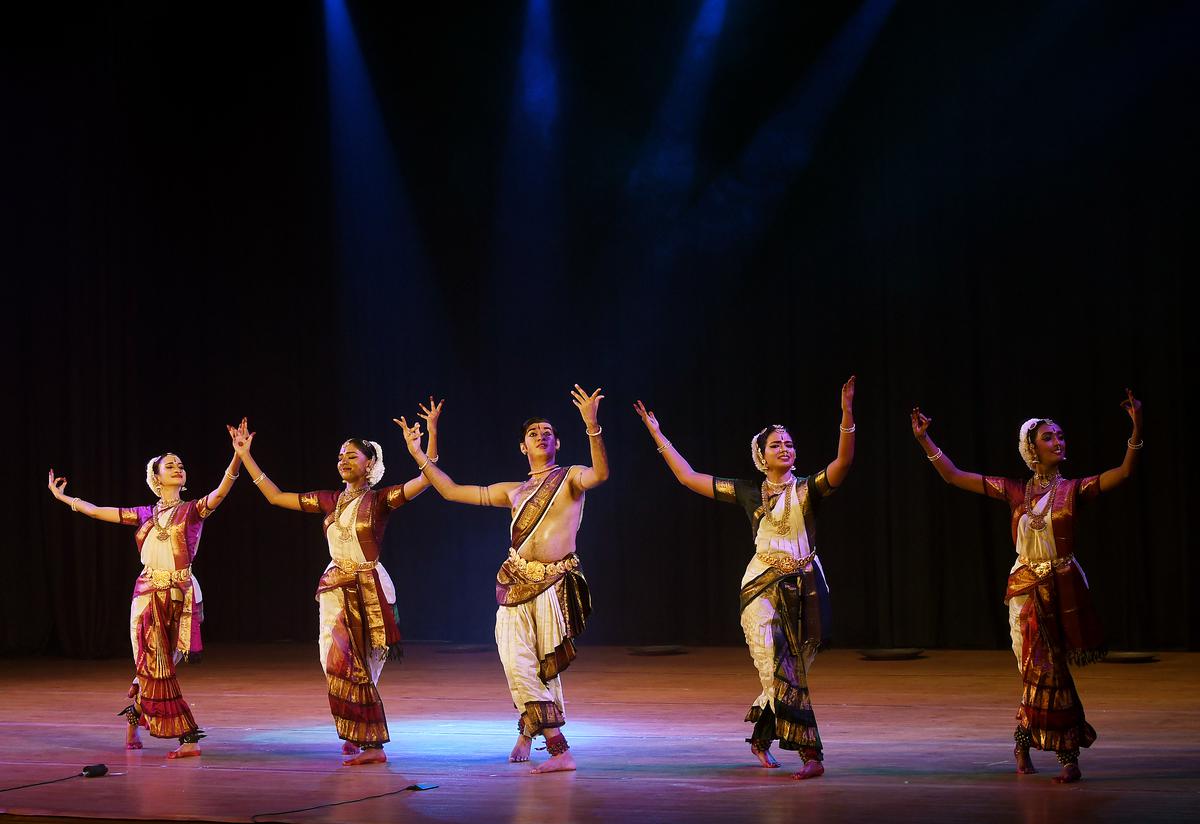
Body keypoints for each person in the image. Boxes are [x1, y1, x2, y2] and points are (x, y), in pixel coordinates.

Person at [910, 389, 1143, 783]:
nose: (1059, 442)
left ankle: (1058, 754)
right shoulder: (1014, 490)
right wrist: (924, 440)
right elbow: (953, 476)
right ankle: (1031, 745)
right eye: (1049, 437)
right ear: (1031, 449)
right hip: (1024, 590)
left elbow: (1123, 474)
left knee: (1051, 673)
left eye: (1060, 436)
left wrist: (1136, 431)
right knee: (1035, 672)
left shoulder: (1073, 490)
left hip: (1062, 587)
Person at [633, 377, 856, 780]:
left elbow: (842, 465)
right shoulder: (746, 492)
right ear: (761, 455)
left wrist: (846, 416)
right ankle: (811, 754)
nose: (785, 448)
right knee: (778, 667)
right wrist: (658, 434)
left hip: (806, 585)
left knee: (794, 668)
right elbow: (688, 477)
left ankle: (761, 735)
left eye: (789, 443)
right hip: (761, 585)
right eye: (776, 444)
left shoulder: (808, 489)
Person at [396, 385, 608, 774]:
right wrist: (419, 453)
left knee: (543, 666)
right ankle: (558, 748)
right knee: (516, 662)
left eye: (547, 431)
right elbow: (451, 491)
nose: (541, 435)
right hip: (513, 582)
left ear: (558, 441)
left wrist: (592, 426)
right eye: (532, 433)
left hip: (554, 584)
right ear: (522, 448)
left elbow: (600, 474)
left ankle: (534, 734)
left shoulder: (570, 478)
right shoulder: (513, 492)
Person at [230, 402, 440, 766]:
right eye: (341, 455)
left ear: (370, 464)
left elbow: (428, 480)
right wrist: (245, 456)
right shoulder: (328, 500)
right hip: (335, 588)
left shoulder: (380, 499)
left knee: (368, 665)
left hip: (371, 587)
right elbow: (276, 497)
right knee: (337, 662)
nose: (344, 459)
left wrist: (424, 444)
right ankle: (358, 733)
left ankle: (370, 743)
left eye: (353, 455)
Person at [47, 424, 244, 758]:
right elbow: (96, 511)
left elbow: (222, 491)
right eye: (170, 465)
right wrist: (63, 497)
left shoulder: (192, 510)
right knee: (154, 665)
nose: (178, 468)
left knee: (163, 663)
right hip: (146, 595)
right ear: (156, 477)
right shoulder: (143, 515)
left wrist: (238, 457)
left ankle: (135, 715)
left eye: (180, 465)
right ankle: (188, 737)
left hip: (181, 595)